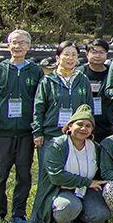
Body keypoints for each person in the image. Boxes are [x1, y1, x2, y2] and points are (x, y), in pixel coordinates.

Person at [0, 29, 41, 223]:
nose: (18, 46)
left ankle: (19, 214)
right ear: (8, 46)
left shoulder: (35, 71)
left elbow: (39, 103)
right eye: (14, 42)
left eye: (22, 43)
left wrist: (36, 130)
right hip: (3, 132)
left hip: (26, 132)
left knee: (24, 174)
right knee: (0, 175)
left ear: (29, 47)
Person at [33, 105, 109, 223]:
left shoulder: (95, 148)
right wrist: (87, 182)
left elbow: (102, 171)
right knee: (70, 206)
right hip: (60, 190)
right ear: (70, 126)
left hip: (84, 191)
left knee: (101, 213)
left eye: (88, 126)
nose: (83, 128)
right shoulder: (57, 146)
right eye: (79, 124)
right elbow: (57, 176)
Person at [32, 41, 91, 179]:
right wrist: (37, 132)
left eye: (74, 55)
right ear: (57, 58)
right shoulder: (47, 80)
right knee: (47, 176)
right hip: (50, 135)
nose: (70, 58)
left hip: (75, 136)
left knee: (73, 173)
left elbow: (88, 109)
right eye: (66, 55)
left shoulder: (82, 80)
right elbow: (39, 108)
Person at [82, 39, 113, 140]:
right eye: (94, 52)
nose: (97, 56)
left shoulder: (112, 73)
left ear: (106, 54)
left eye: (101, 52)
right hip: (84, 123)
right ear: (87, 54)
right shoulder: (79, 74)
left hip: (107, 124)